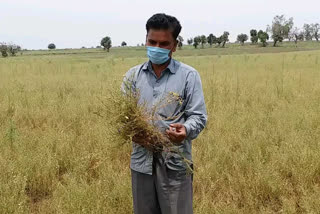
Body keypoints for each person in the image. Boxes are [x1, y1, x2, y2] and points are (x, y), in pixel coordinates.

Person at [122, 13, 207, 214]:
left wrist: (185, 130)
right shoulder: (132, 77)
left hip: (175, 165)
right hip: (142, 164)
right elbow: (122, 118)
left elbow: (199, 116)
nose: (157, 48)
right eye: (152, 42)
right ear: (145, 40)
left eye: (164, 44)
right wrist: (133, 133)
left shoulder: (188, 76)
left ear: (174, 45)